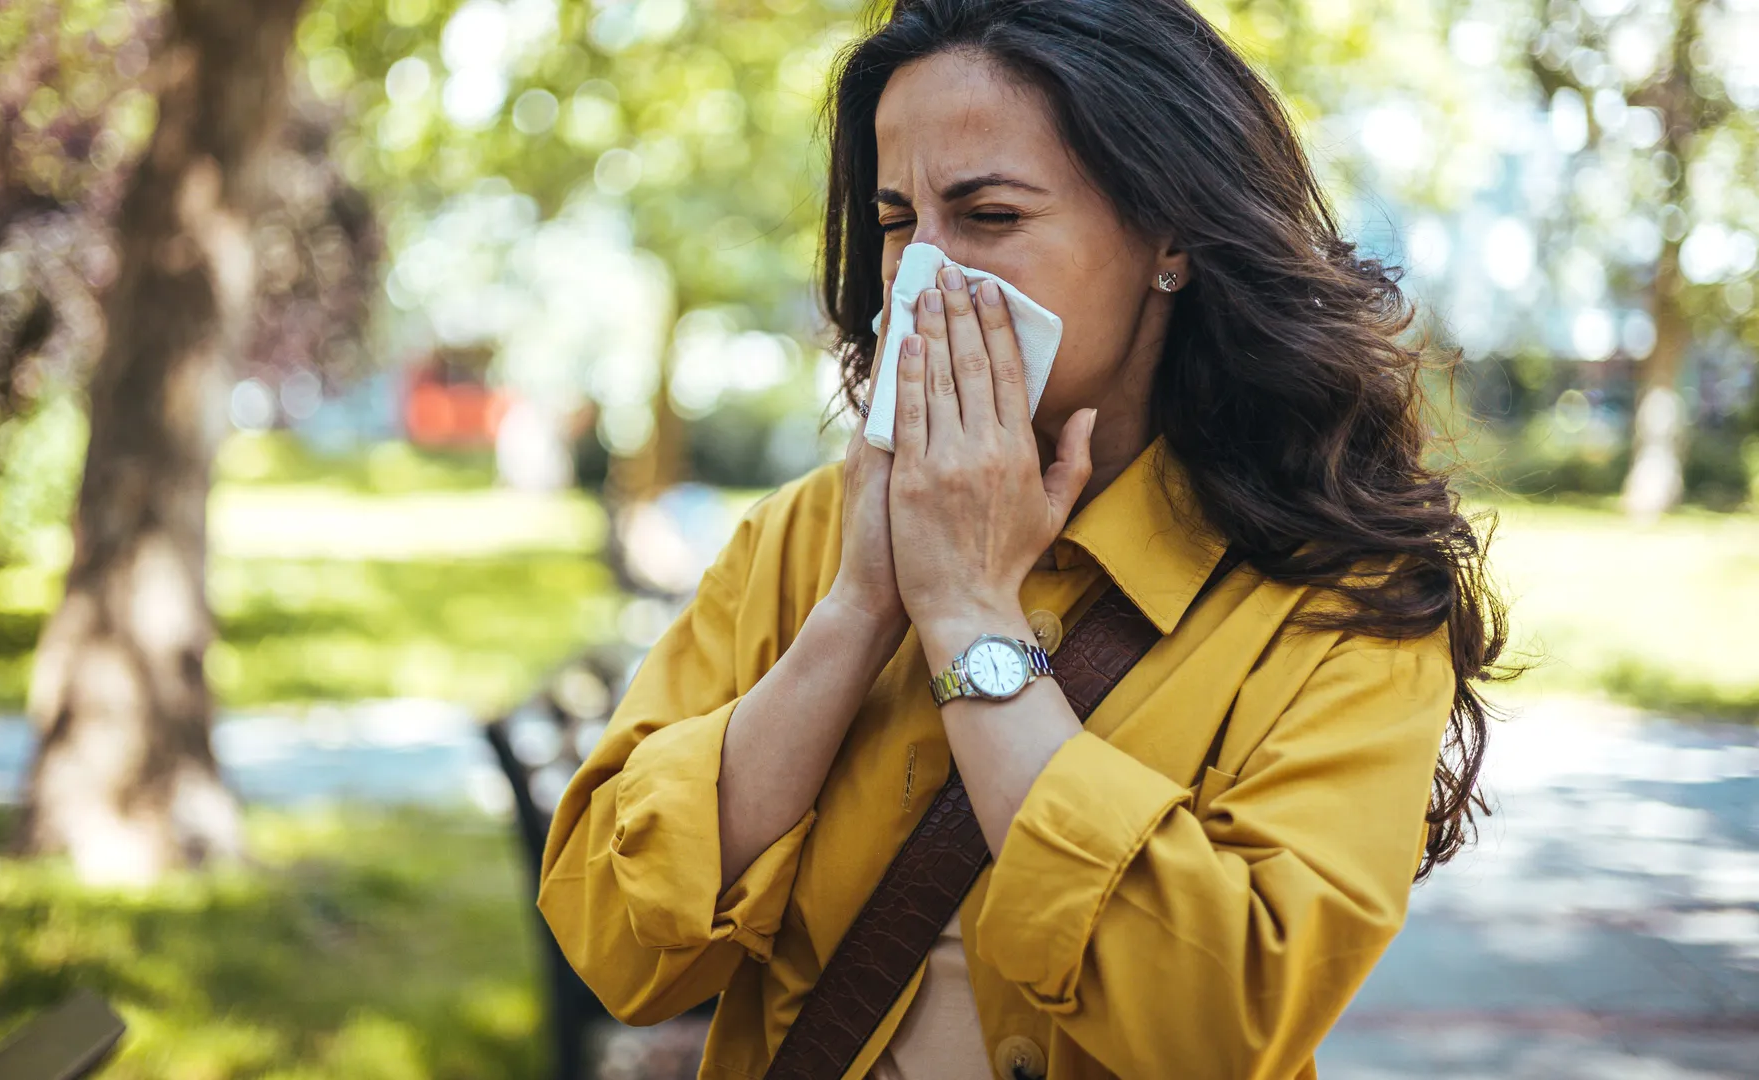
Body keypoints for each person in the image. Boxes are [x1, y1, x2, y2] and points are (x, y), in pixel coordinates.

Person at [538, 1, 1508, 1077]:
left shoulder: (1341, 597)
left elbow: (1220, 1020)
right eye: (899, 219)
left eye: (989, 215)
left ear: (1170, 237)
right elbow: (612, 945)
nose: (923, 275)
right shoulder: (807, 533)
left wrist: (967, 619)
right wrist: (859, 611)